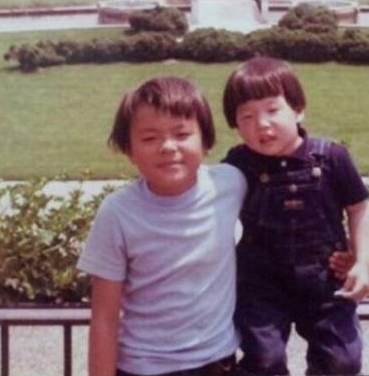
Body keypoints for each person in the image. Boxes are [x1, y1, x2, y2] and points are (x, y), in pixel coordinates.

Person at [77, 76, 247, 376]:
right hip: (144, 367)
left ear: (206, 141)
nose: (168, 147)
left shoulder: (231, 184)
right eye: (149, 138)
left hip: (218, 363)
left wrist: (338, 253)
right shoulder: (117, 213)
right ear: (129, 151)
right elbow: (104, 318)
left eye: (182, 134)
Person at [222, 56, 369, 376]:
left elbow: (358, 208)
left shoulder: (332, 157)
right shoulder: (237, 164)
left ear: (298, 109)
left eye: (272, 110)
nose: (262, 124)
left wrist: (361, 263)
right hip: (260, 284)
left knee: (342, 362)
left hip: (324, 279)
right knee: (264, 360)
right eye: (247, 116)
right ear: (235, 125)